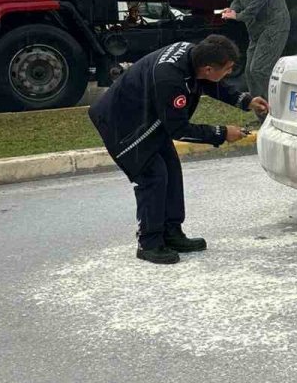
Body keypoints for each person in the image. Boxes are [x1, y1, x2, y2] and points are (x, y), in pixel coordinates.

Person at [89, 35, 268, 265]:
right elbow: (178, 129)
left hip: (149, 119)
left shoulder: (194, 57)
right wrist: (222, 133)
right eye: (227, 69)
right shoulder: (170, 79)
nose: (229, 73)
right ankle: (149, 242)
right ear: (208, 67)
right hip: (122, 126)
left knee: (171, 171)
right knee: (153, 176)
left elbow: (209, 82)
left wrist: (246, 101)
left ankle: (172, 233)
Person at [215, 0, 291, 104]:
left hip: (274, 24)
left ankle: (276, 109)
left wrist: (240, 16)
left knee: (260, 69)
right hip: (256, 29)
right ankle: (262, 114)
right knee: (250, 71)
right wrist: (232, 9)